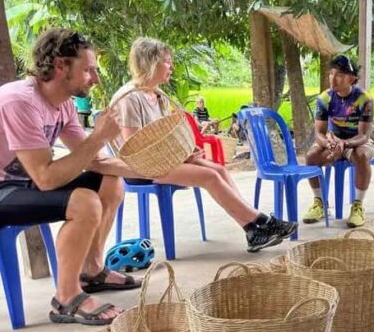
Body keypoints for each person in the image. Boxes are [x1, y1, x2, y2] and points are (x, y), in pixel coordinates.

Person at [0, 28, 143, 326]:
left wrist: (152, 168)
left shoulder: (62, 102)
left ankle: (90, 270)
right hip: (4, 189)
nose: (96, 78)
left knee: (110, 182)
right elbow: (46, 179)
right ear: (61, 65)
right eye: (89, 69)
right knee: (84, 202)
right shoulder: (19, 101)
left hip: (27, 183)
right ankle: (65, 298)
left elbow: (94, 160)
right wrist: (100, 136)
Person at [112, 37, 297, 252]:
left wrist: (186, 152)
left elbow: (164, 137)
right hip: (140, 167)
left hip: (162, 161)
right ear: (150, 63)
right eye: (167, 61)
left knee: (218, 169)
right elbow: (134, 147)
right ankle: (262, 221)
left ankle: (252, 231)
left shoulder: (158, 95)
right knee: (208, 176)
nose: (171, 66)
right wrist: (178, 157)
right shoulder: (130, 98)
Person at [302, 55, 374, 228]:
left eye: (340, 75)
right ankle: (320, 203)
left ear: (352, 79)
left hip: (356, 143)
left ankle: (358, 206)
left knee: (363, 155)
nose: (333, 79)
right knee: (311, 156)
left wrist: (345, 144)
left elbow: (364, 135)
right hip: (333, 141)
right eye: (331, 73)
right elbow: (319, 133)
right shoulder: (324, 99)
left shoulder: (364, 99)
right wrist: (330, 145)